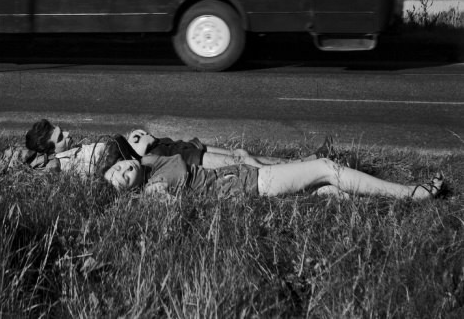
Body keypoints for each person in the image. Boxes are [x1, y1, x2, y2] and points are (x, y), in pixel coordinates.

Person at [101, 135, 445, 201]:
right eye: (117, 179)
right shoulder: (152, 190)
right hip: (252, 184)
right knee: (324, 166)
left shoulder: (150, 161)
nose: (121, 171)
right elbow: (171, 206)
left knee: (328, 191)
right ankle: (411, 194)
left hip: (246, 178)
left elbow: (193, 149)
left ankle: (374, 196)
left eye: (117, 166)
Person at [21, 120, 335, 176]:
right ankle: (313, 173)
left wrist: (132, 140)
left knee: (240, 154)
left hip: (163, 147)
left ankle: (310, 160)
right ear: (49, 152)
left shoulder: (70, 154)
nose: (69, 136)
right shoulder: (58, 165)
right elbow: (32, 169)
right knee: (243, 164)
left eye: (63, 132)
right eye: (61, 138)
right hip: (163, 158)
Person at [125, 129, 332, 170]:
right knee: (252, 165)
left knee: (246, 156)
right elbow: (141, 150)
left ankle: (308, 160)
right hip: (197, 162)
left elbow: (194, 145)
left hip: (197, 151)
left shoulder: (157, 142)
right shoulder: (144, 154)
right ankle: (311, 164)